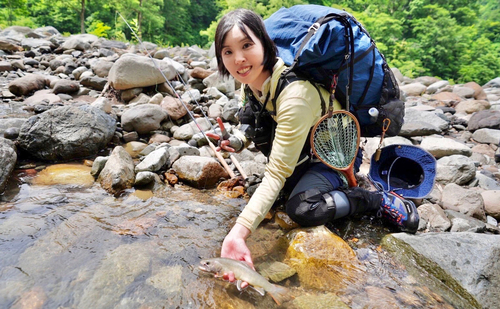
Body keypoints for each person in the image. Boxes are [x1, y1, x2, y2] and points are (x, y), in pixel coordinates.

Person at [212, 8, 419, 280]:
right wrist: (236, 141)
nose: (238, 59)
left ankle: (374, 199)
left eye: (247, 45)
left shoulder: (295, 96)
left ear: (265, 43)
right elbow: (254, 121)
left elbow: (275, 173)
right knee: (278, 193)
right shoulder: (252, 82)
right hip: (307, 148)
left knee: (302, 209)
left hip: (335, 154)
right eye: (227, 51)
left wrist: (238, 233)